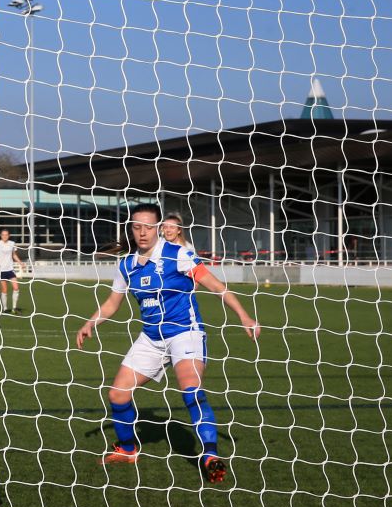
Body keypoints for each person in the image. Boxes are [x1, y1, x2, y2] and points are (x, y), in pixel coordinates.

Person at [76, 203, 260, 483]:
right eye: (137, 226)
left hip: (185, 333)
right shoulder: (126, 265)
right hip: (151, 337)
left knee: (190, 390)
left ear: (158, 227)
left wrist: (244, 315)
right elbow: (113, 303)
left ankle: (209, 454)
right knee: (118, 395)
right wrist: (90, 323)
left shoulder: (179, 255)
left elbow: (215, 286)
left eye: (148, 226)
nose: (142, 232)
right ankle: (127, 449)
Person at [0, 229, 24, 314]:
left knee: (16, 287)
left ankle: (14, 308)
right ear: (1, 236)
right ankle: (5, 309)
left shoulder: (12, 244)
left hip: (10, 269)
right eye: (3, 235)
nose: (4, 236)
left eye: (6, 235)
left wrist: (20, 262)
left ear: (9, 236)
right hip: (1, 271)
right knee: (4, 290)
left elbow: (14, 255)